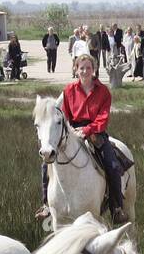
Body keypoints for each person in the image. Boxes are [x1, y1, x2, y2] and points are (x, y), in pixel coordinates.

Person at [34, 53, 128, 226]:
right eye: (81, 68)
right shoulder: (69, 90)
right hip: (71, 131)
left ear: (94, 70)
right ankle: (46, 205)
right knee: (45, 164)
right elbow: (64, 116)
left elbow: (103, 118)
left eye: (88, 68)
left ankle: (117, 208)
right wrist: (70, 130)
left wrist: (86, 130)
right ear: (76, 70)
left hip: (95, 132)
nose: (85, 71)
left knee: (112, 165)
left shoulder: (104, 92)